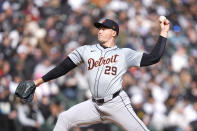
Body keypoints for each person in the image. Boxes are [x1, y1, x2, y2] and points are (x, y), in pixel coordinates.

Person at [19, 17, 170, 131]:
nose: (100, 30)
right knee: (64, 118)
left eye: (104, 28)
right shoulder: (86, 50)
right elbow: (64, 67)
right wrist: (37, 82)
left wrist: (163, 33)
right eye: (99, 28)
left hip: (116, 103)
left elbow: (153, 57)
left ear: (114, 33)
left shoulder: (123, 54)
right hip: (94, 105)